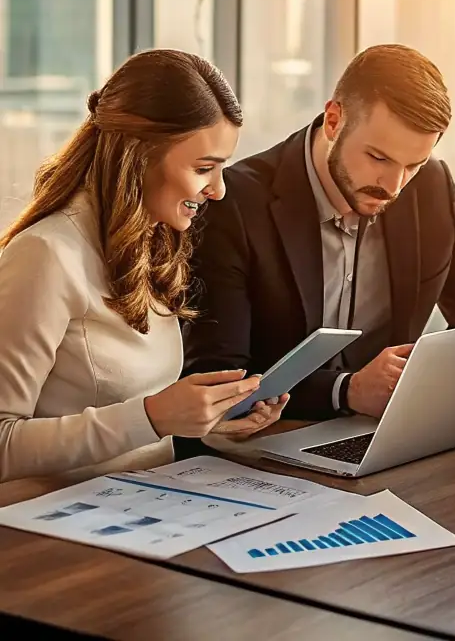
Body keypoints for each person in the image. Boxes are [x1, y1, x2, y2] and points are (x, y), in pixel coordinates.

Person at [184, 43, 455, 421]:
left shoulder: (431, 189)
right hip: (268, 442)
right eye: (378, 158)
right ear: (333, 120)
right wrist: (347, 390)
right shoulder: (235, 204)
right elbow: (217, 378)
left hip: (387, 433)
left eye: (414, 164)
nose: (393, 185)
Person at [0, 50, 287, 484]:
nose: (219, 190)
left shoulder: (151, 241)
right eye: (203, 168)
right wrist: (152, 417)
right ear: (138, 155)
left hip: (146, 507)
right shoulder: (44, 255)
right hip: (55, 530)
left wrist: (211, 423)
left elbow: (139, 423)